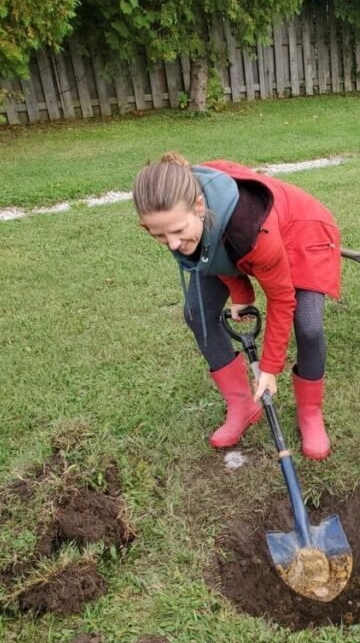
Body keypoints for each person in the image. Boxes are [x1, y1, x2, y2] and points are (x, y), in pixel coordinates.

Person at [133, 153, 341, 460]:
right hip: (235, 238)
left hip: (300, 231)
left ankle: (310, 413)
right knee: (197, 312)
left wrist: (269, 369)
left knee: (308, 325)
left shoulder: (252, 226)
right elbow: (208, 254)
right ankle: (243, 405)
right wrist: (240, 291)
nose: (173, 243)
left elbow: (282, 299)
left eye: (177, 231)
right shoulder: (178, 213)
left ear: (200, 207)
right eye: (160, 237)